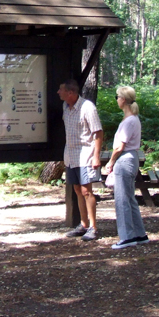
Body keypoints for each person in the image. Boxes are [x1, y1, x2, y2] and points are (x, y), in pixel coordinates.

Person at [103, 85, 149, 249]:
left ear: (123, 99)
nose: (116, 100)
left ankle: (127, 237)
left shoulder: (130, 120)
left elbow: (120, 146)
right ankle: (139, 234)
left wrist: (111, 162)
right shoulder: (132, 119)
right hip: (130, 158)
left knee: (122, 199)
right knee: (129, 198)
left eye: (117, 97)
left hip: (125, 159)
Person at [58, 78, 102, 240]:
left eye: (61, 89)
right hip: (71, 155)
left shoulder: (87, 107)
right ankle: (83, 225)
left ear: (70, 92)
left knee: (86, 191)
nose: (58, 92)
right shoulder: (66, 106)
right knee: (77, 190)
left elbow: (98, 132)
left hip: (86, 155)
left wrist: (96, 156)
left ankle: (93, 227)